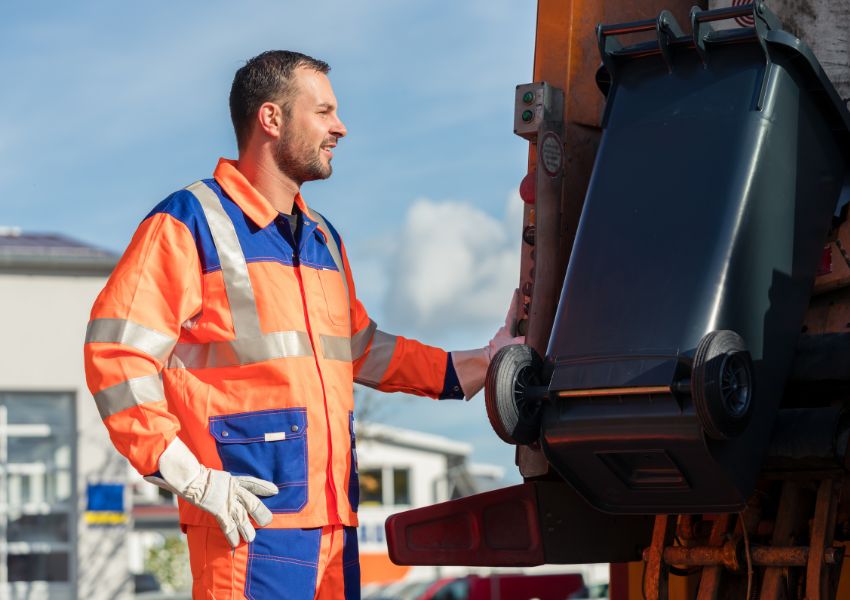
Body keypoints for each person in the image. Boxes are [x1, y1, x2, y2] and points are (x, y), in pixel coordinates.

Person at [84, 50, 520, 599]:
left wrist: (485, 362)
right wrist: (187, 475)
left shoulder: (322, 237)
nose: (340, 127)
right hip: (246, 523)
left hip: (335, 527)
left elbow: (362, 349)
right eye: (323, 112)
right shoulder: (189, 222)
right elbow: (116, 354)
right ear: (272, 118)